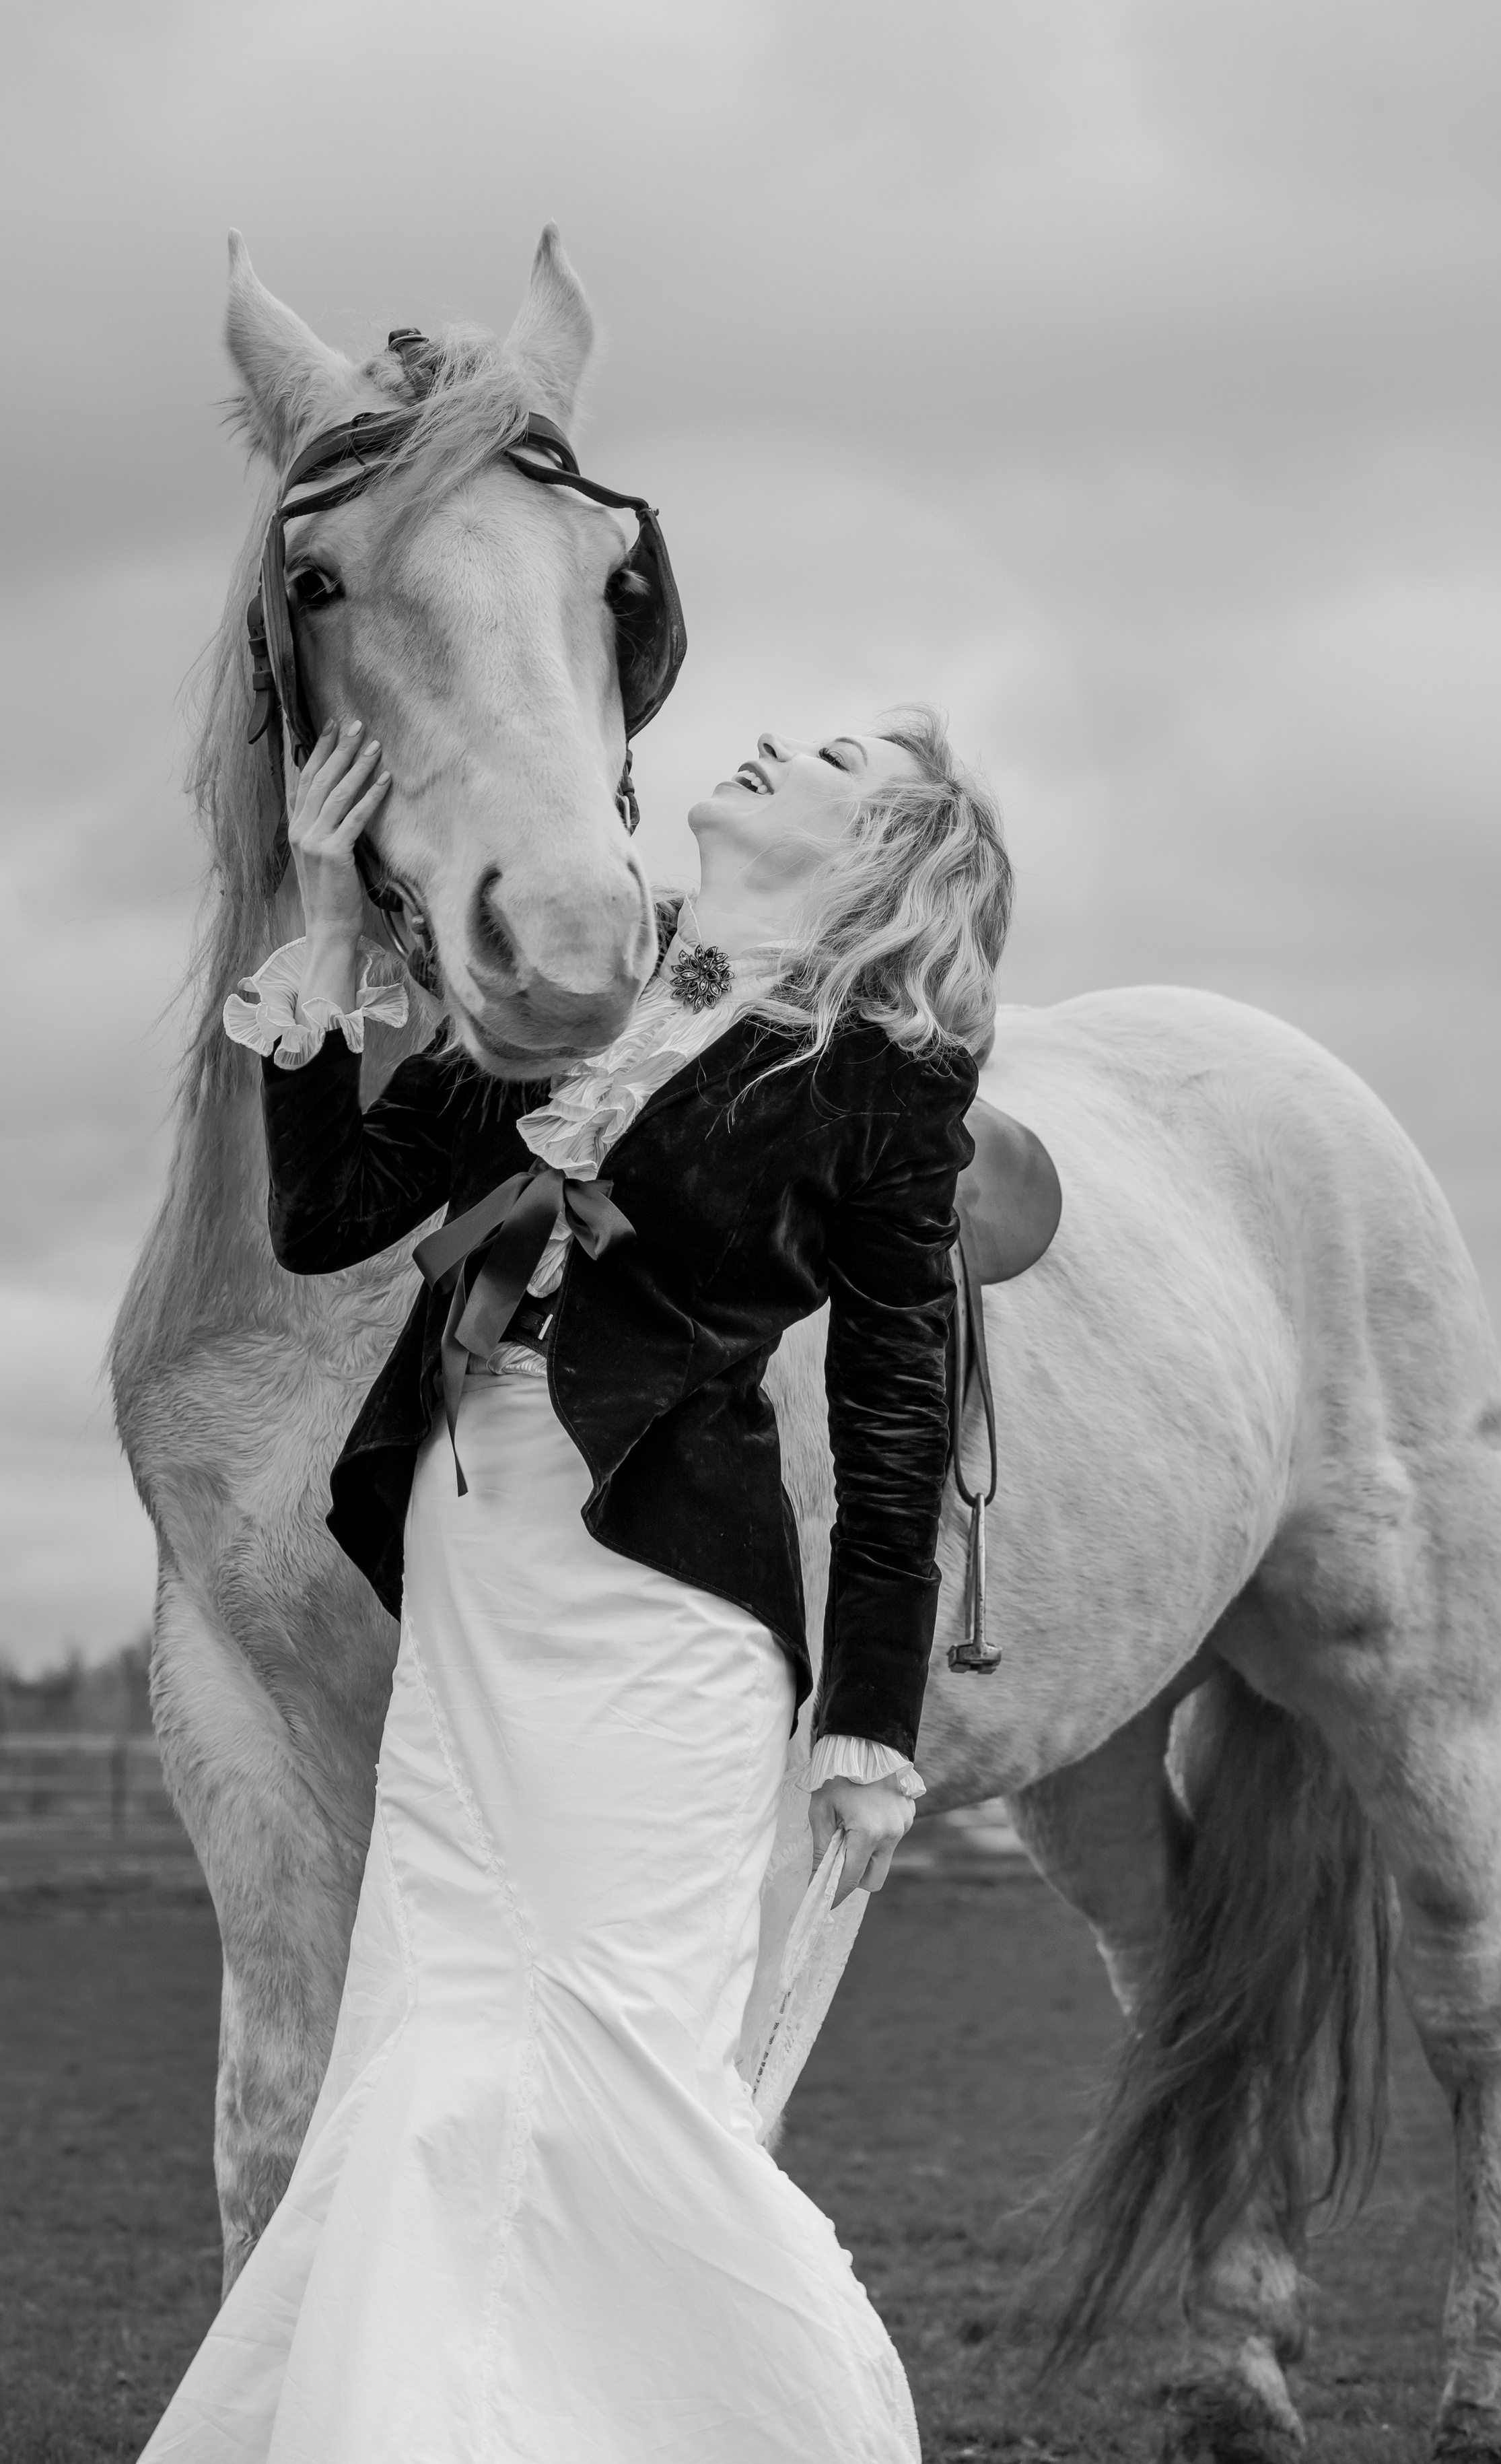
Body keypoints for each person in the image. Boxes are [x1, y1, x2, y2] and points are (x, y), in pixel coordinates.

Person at [141, 708, 1012, 2463]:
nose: (775, 741)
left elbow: (897, 1400)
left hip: (668, 1605)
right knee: (428, 2041)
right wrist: (324, 915)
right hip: (475, 1573)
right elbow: (330, 1218)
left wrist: (869, 1718)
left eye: (831, 760)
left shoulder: (876, 1073)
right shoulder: (563, 987)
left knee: (625, 2060)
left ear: (886, 856)